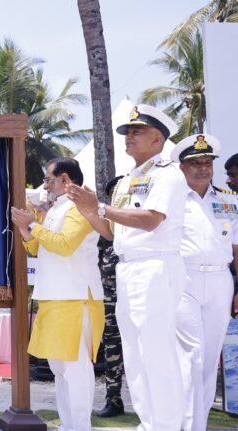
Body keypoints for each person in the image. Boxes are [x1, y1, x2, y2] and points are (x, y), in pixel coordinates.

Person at [68, 104, 187, 431]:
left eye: (137, 131)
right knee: (134, 356)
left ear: (158, 138)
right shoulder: (128, 180)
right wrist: (90, 211)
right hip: (128, 268)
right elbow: (110, 232)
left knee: (156, 353)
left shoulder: (167, 173)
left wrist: (101, 208)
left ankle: (167, 425)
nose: (129, 136)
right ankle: (149, 423)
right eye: (127, 132)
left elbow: (151, 220)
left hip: (156, 266)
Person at [11, 158, 104, 431]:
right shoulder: (57, 208)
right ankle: (68, 425)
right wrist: (25, 230)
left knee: (76, 369)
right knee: (59, 369)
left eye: (49, 179)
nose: (46, 184)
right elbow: (39, 249)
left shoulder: (79, 207)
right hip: (55, 295)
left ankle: (81, 426)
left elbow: (65, 246)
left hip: (75, 297)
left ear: (64, 178)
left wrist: (34, 225)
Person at [170, 134, 238, 431]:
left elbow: (236, 249)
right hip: (184, 278)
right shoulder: (170, 200)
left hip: (221, 280)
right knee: (190, 358)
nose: (202, 168)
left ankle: (198, 425)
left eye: (207, 162)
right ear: (181, 167)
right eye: (195, 163)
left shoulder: (229, 200)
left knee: (209, 360)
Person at [96, 176, 126, 419]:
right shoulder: (103, 223)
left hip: (136, 293)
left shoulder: (139, 220)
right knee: (112, 348)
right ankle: (113, 399)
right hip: (109, 298)